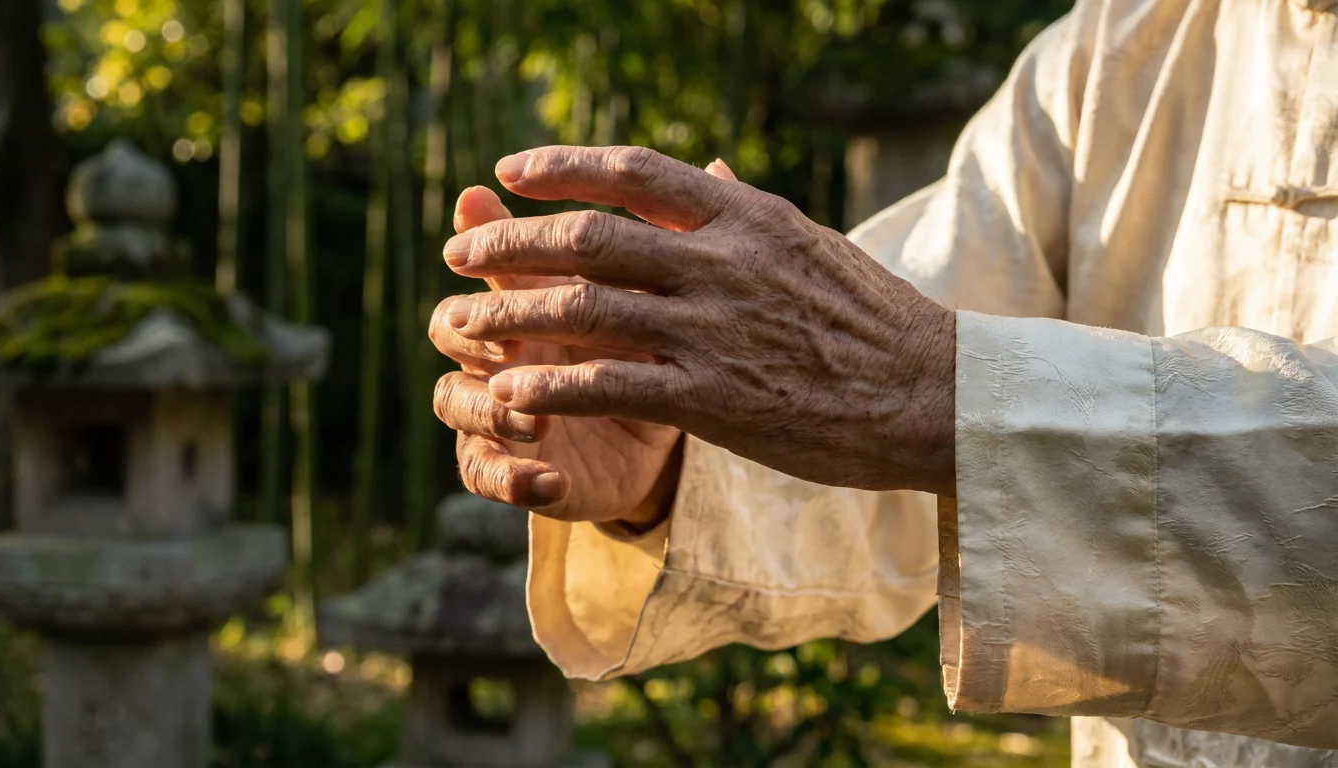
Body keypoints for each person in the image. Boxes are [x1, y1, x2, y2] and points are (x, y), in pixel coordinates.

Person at [428, 0, 1338, 764]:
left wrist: (945, 396)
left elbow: (935, 383)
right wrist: (675, 449)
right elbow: (920, 360)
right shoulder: (1126, 45)